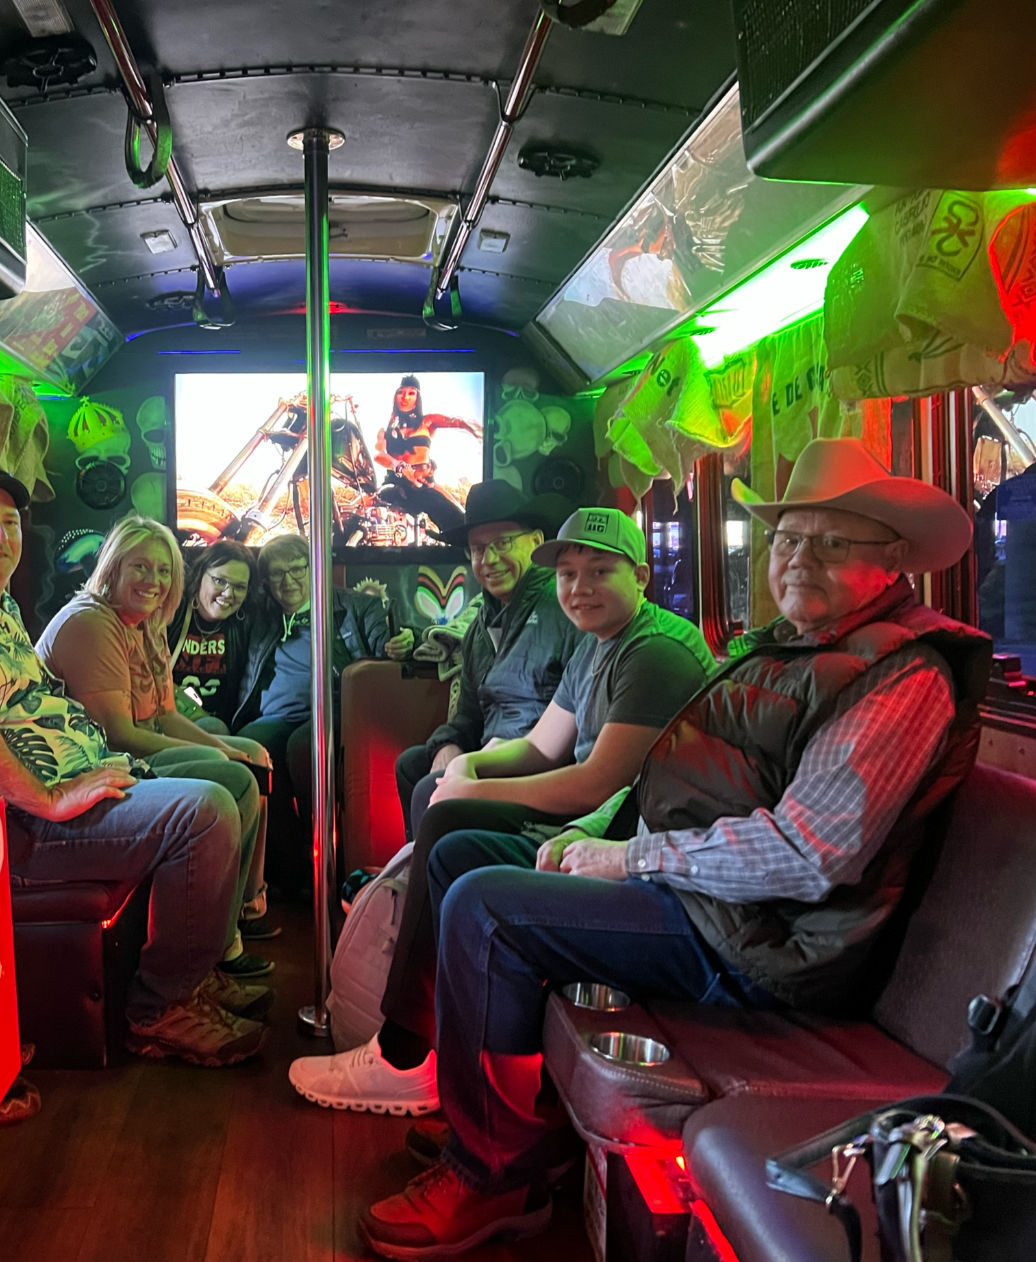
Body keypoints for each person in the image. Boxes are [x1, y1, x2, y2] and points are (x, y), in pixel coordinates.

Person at [353, 439, 992, 1259]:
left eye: (834, 543)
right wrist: (534, 805)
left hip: (769, 945)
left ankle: (491, 1172)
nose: (800, 560)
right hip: (718, 906)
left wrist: (628, 857)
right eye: (790, 539)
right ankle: (507, 1121)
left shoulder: (901, 677)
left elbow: (810, 854)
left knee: (489, 905)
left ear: (894, 560)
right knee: (467, 858)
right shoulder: (793, 648)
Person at [289, 506, 714, 1115]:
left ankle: (406, 1054)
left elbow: (594, 785)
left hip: (627, 843)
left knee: (451, 825)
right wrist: (469, 766)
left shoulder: (655, 654)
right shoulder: (597, 646)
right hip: (597, 824)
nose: (580, 588)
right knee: (443, 811)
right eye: (569, 575)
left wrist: (473, 793)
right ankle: (416, 1047)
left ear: (641, 577)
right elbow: (541, 745)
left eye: (600, 571)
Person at [0, 468, 268, 1067]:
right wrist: (51, 800)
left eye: (10, 524)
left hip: (78, 780)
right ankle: (159, 1009)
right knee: (207, 810)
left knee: (234, 781)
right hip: (23, 827)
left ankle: (197, 972)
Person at [38, 515, 275, 978]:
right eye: (140, 568)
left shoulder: (145, 624)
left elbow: (165, 714)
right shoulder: (92, 621)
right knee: (228, 774)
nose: (154, 581)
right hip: (92, 763)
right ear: (113, 568)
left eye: (164, 571)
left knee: (249, 752)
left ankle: (240, 913)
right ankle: (217, 947)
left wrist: (228, 748)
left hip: (127, 746)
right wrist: (218, 756)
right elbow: (118, 733)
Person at [388, 481, 584, 843]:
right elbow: (469, 716)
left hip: (541, 769)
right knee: (412, 765)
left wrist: (479, 765)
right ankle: (420, 877)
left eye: (503, 544)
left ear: (536, 541)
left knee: (431, 787)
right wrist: (447, 744)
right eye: (478, 549)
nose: (489, 560)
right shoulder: (481, 626)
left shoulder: (565, 608)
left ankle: (419, 889)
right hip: (491, 758)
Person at [230, 531, 409, 894]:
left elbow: (389, 645)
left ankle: (329, 863)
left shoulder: (356, 606)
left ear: (314, 568)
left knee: (304, 745)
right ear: (266, 583)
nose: (288, 582)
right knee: (249, 747)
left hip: (337, 710)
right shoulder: (262, 617)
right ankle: (288, 867)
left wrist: (406, 640)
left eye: (297, 570)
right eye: (277, 575)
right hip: (275, 716)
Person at [168, 539, 258, 735]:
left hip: (223, 724)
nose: (228, 594)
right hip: (170, 717)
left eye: (239, 587)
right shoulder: (172, 612)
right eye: (220, 581)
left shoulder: (247, 624)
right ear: (200, 574)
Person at [374, 375, 483, 537]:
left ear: (417, 398)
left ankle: (458, 546)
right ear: (395, 396)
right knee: (384, 497)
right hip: (395, 483)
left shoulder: (427, 422)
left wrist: (474, 428)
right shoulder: (386, 430)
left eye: (411, 393)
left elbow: (456, 421)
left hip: (424, 484)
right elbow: (379, 455)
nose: (405, 397)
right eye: (401, 392)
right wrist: (398, 465)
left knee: (458, 516)